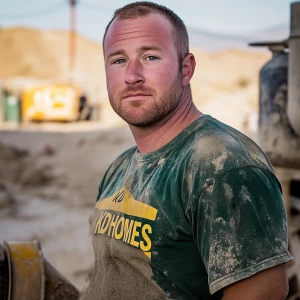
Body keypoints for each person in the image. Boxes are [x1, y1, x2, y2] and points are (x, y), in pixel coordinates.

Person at [82, 2, 293, 299]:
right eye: (118, 61)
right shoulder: (121, 166)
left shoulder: (221, 165)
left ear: (186, 69)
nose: (132, 76)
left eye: (150, 57)